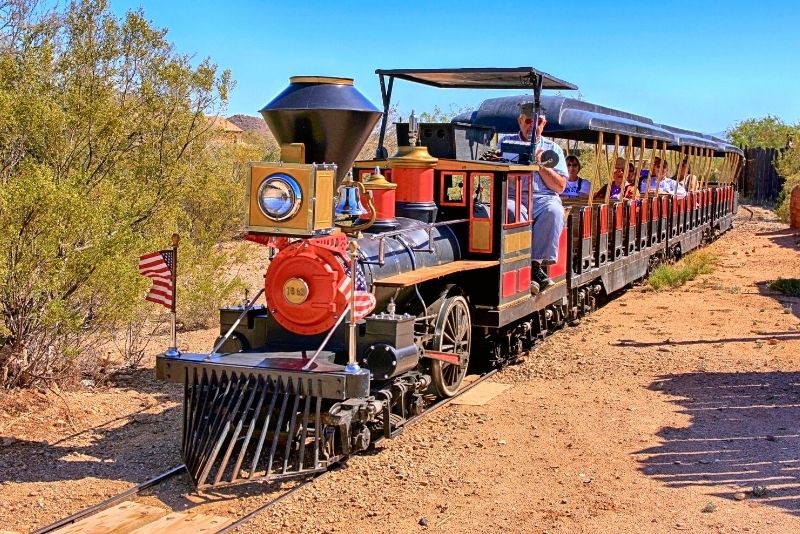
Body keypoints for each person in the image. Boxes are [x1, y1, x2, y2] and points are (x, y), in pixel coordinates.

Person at [498, 103, 567, 293]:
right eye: (528, 121)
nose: (532, 125)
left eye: (538, 122)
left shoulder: (553, 149)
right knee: (509, 210)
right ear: (520, 121)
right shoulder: (506, 144)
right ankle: (509, 263)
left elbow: (560, 186)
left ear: (544, 124)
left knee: (554, 211)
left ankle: (534, 266)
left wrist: (542, 165)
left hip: (543, 198)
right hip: (514, 196)